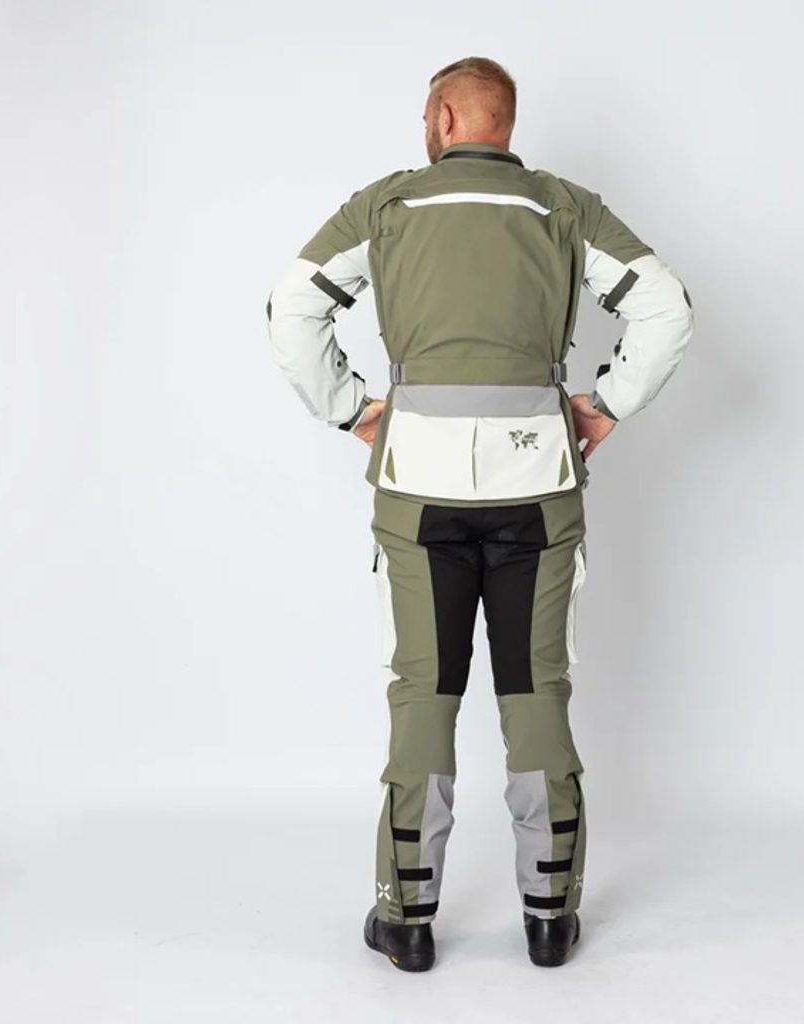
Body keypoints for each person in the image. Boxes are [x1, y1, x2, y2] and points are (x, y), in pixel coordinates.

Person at [265, 56, 694, 971]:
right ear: (505, 123)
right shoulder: (563, 206)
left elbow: (292, 307)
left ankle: (406, 918)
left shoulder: (386, 206)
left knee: (424, 692)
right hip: (537, 480)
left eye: (428, 117)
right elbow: (666, 305)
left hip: (418, 485)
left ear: (445, 117)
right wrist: (606, 405)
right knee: (535, 690)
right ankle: (549, 918)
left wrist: (352, 410)